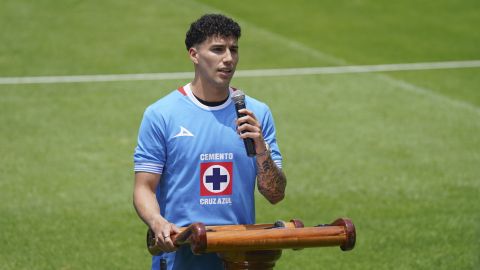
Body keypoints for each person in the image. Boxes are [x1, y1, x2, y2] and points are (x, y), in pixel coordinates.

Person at [133, 14, 287, 270]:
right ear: (194, 54)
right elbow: (144, 188)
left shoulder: (256, 114)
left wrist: (261, 149)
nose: (228, 58)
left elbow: (276, 194)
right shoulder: (162, 114)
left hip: (237, 257)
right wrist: (157, 222)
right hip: (180, 256)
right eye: (218, 49)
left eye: (233, 49)